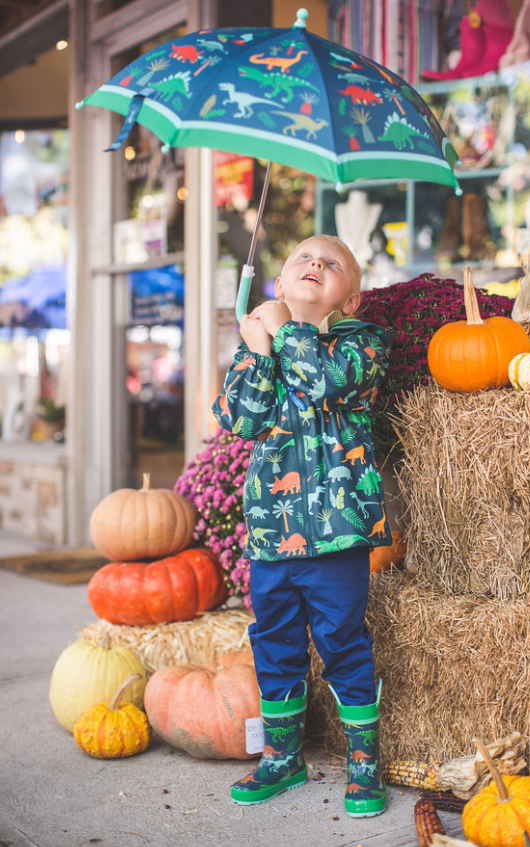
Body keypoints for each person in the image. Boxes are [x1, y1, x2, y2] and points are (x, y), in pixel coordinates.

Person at [212, 235, 392, 818]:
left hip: (338, 535)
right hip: (272, 535)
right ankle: (283, 757)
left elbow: (326, 383)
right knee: (275, 644)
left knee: (342, 640)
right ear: (279, 284)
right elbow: (240, 418)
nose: (315, 264)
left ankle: (365, 761)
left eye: (331, 263)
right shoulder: (257, 348)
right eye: (303, 260)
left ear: (353, 299)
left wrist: (286, 330)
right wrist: (257, 350)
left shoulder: (360, 346)